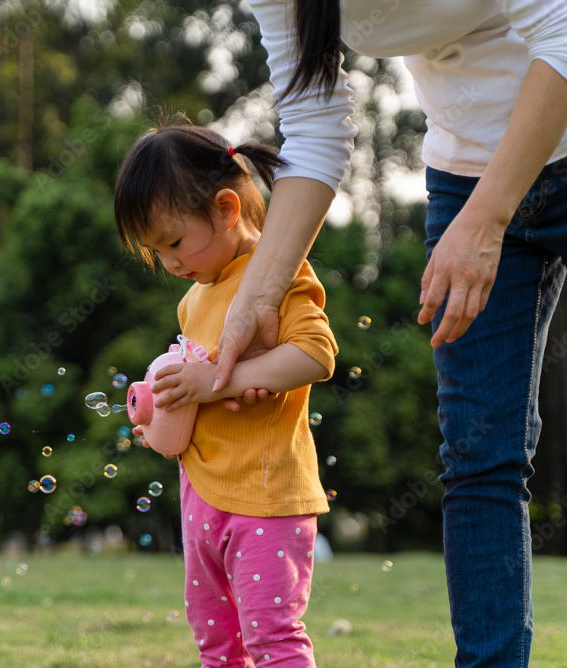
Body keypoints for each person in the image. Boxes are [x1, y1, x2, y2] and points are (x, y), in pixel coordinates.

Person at [169, 1, 567, 665]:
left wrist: (485, 224)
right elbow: (314, 124)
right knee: (478, 455)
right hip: (466, 164)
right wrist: (257, 296)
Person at [114, 118, 339, 667]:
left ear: (226, 209)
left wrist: (217, 383)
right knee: (216, 644)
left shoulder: (276, 272)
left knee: (272, 639)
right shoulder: (192, 301)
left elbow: (317, 354)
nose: (170, 263)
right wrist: (165, 420)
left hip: (266, 496)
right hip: (202, 497)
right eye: (155, 252)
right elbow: (197, 393)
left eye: (174, 242)